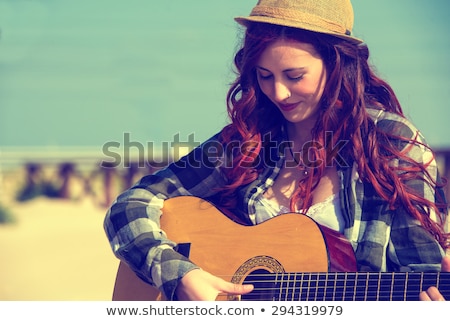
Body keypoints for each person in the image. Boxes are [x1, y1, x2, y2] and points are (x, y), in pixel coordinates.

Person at [104, 0, 450, 301]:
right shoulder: (248, 139)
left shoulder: (391, 141)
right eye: (265, 76)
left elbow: (420, 269)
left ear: (336, 64)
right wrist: (179, 275)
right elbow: (130, 206)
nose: (279, 93)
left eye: (294, 75)